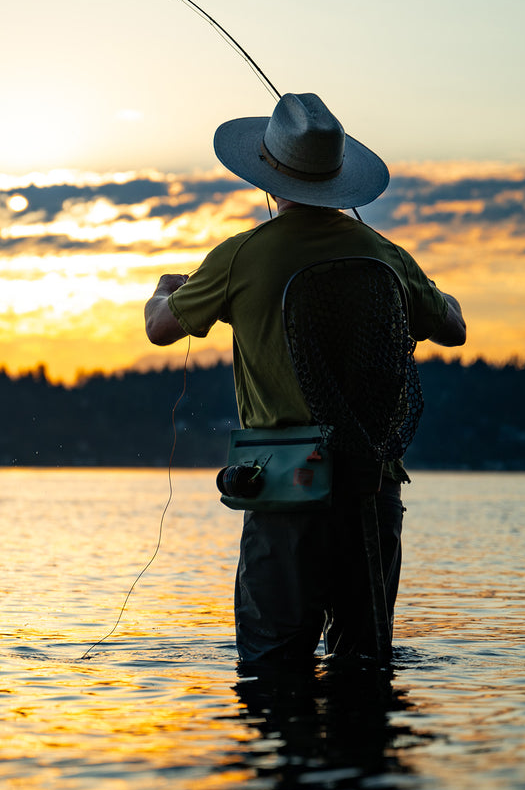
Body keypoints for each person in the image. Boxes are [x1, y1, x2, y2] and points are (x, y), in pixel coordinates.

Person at [145, 92, 466, 665]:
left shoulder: (243, 256)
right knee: (363, 669)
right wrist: (433, 290)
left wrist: (164, 289)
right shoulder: (387, 255)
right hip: (372, 489)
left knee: (272, 670)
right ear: (340, 179)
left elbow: (161, 330)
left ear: (267, 175)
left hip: (286, 492)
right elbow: (454, 329)